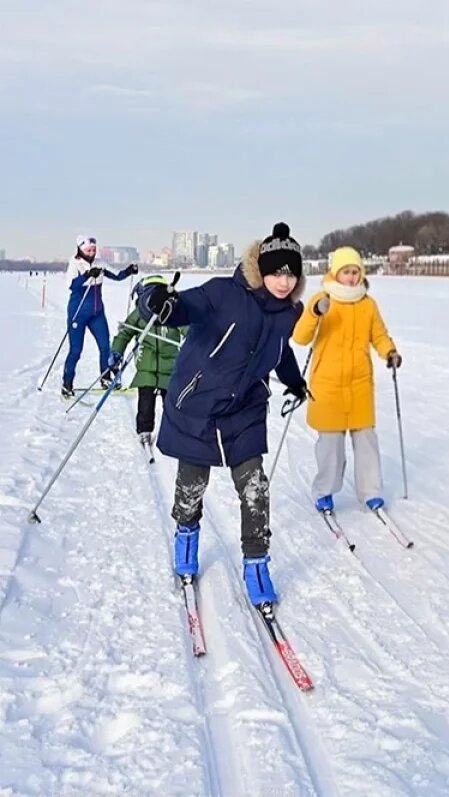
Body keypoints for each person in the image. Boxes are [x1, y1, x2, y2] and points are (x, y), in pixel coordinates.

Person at [139, 223, 308, 606]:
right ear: (260, 268)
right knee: (191, 485)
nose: (284, 280)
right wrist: (156, 298)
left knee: (255, 489)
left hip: (245, 410)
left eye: (291, 272)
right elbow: (181, 307)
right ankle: (186, 537)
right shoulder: (222, 293)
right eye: (277, 270)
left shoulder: (289, 313)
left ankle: (256, 562)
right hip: (200, 404)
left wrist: (294, 382)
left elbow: (280, 350)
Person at [292, 246, 402, 514]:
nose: (352, 278)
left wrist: (389, 351)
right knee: (331, 446)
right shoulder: (323, 299)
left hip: (359, 384)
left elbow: (378, 334)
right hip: (328, 385)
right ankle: (324, 491)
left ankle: (371, 492)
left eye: (355, 272)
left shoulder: (368, 304)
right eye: (346, 272)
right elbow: (301, 336)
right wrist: (315, 312)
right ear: (335, 273)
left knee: (366, 441)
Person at [110, 275, 188, 453]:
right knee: (145, 403)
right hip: (146, 366)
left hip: (171, 369)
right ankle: (144, 431)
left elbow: (187, 329)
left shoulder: (173, 311)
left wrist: (196, 337)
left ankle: (173, 433)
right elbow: (125, 333)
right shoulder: (139, 313)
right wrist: (116, 352)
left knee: (172, 404)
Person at [61, 235, 137, 397]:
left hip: (97, 313)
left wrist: (129, 270)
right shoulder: (75, 264)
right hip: (78, 313)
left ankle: (106, 378)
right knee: (76, 350)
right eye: (88, 250)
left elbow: (117, 275)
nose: (91, 253)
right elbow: (71, 285)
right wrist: (87, 275)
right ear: (80, 250)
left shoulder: (100, 263)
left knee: (105, 347)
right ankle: (67, 383)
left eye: (94, 250)